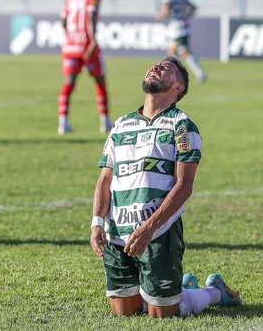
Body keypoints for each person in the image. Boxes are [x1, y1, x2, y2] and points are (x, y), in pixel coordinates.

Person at [89, 56, 241, 317]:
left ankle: (216, 292)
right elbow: (105, 179)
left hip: (158, 232)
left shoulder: (182, 126)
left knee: (162, 314)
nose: (155, 67)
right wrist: (96, 223)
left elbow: (184, 186)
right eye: (155, 65)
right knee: (125, 312)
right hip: (117, 232)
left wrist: (149, 229)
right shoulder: (121, 125)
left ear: (177, 88)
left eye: (166, 69)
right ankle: (180, 288)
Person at [58, 0, 113, 135]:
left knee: (69, 84)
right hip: (87, 46)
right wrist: (93, 40)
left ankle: (63, 123)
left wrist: (70, 37)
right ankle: (105, 122)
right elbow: (90, 17)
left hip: (71, 46)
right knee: (100, 83)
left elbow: (63, 20)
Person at [154, 0, 207, 83]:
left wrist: (158, 16)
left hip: (176, 27)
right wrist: (186, 16)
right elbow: (193, 7)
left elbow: (165, 11)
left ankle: (200, 73)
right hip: (184, 25)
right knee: (172, 50)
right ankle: (173, 75)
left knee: (184, 52)